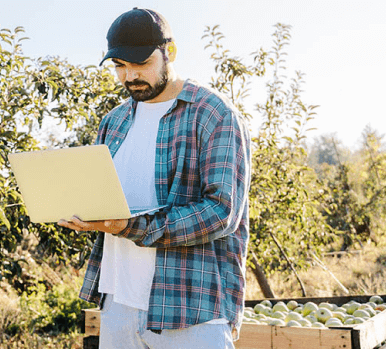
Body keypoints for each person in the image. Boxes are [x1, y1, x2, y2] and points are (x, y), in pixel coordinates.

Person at [57, 7, 252, 349]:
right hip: (118, 304)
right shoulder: (114, 122)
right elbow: (106, 199)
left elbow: (222, 212)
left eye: (141, 63)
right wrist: (82, 211)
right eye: (120, 66)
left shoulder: (214, 114)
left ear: (170, 53)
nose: (130, 76)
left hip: (190, 310)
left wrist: (129, 226)